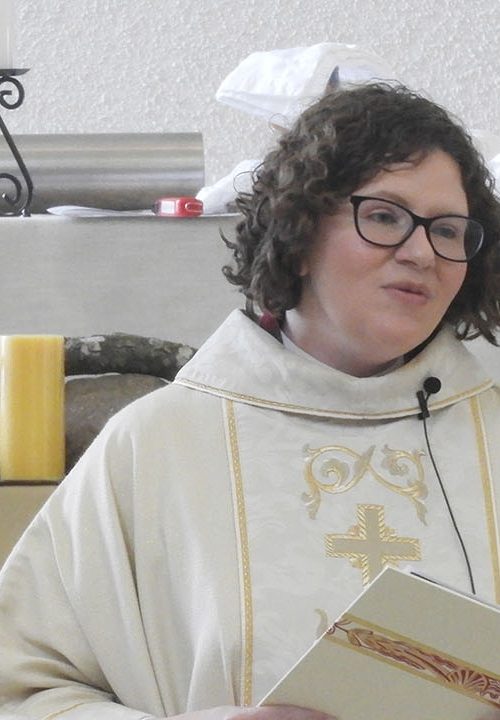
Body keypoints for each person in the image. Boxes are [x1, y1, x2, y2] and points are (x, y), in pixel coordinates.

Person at [1, 82, 500, 719]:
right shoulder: (160, 443)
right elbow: (19, 691)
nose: (423, 252)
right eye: (383, 216)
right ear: (301, 229)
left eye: (449, 230)